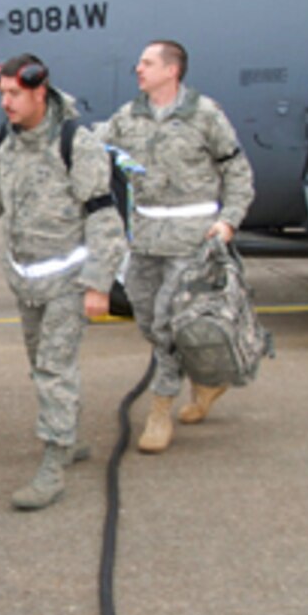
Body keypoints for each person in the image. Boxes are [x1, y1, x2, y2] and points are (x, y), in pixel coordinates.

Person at [0, 54, 126, 510]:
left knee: (52, 368)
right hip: (25, 282)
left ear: (39, 91)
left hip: (67, 278)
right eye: (1, 93)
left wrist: (99, 283)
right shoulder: (4, 138)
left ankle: (52, 461)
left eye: (13, 94)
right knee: (42, 366)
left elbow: (103, 214)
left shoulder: (75, 143)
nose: (4, 103)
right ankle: (65, 435)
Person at [98, 40, 255, 453]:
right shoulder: (128, 116)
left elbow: (237, 169)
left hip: (192, 240)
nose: (138, 69)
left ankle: (160, 409)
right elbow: (92, 144)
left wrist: (228, 221)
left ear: (172, 70)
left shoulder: (205, 115)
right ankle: (207, 381)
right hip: (147, 238)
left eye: (147, 63)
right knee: (149, 322)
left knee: (169, 321)